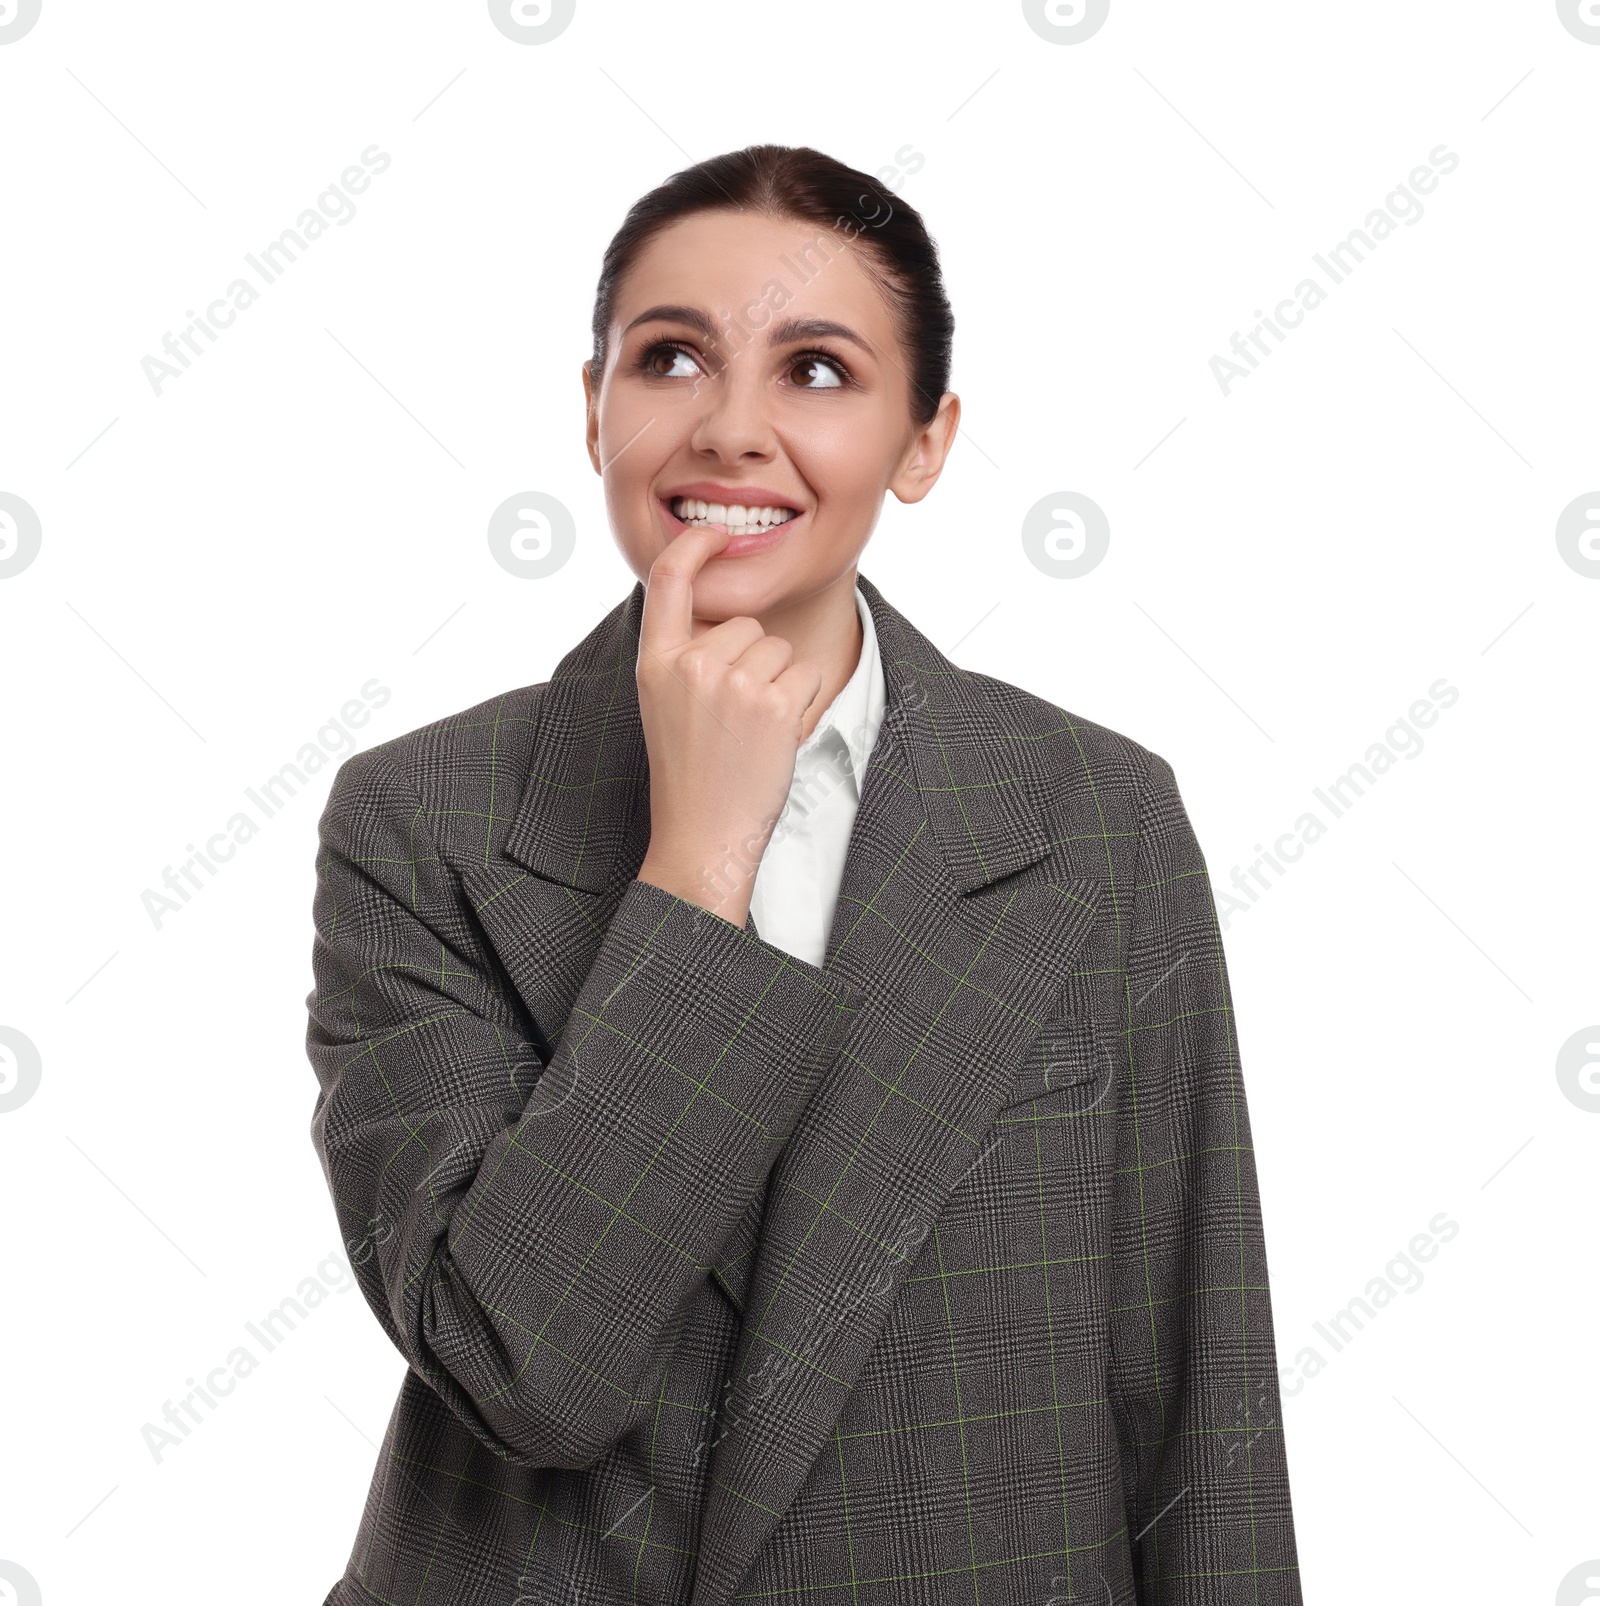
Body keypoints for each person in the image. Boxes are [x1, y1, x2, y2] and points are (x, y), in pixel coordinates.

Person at [304, 143, 1304, 1605]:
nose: (730, 429)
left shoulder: (1096, 817)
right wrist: (697, 856)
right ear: (594, 413)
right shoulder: (421, 820)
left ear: (925, 438)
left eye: (818, 371)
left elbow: (1198, 1398)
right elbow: (527, 1366)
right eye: (670, 358)